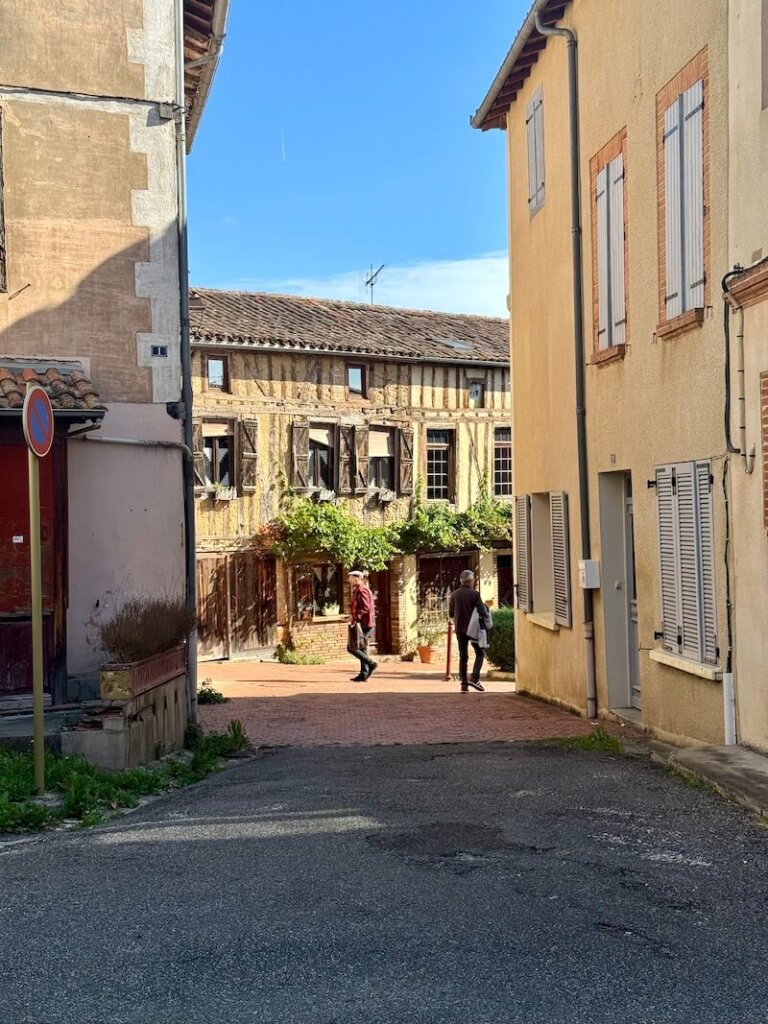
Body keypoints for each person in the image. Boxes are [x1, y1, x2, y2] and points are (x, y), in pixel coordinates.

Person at [449, 569, 489, 692]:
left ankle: (464, 684)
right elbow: (482, 611)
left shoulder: (454, 595)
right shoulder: (475, 594)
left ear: (462, 581)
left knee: (463, 655)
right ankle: (474, 678)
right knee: (480, 653)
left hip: (460, 629)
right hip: (473, 628)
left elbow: (451, 613)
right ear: (471, 581)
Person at [348, 570, 378, 682]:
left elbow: (366, 608)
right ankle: (364, 674)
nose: (349, 580)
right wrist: (351, 616)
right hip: (363, 623)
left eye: (350, 578)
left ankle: (371, 664)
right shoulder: (358, 589)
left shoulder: (362, 590)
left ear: (357, 578)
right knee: (362, 648)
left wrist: (355, 617)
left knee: (352, 647)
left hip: (366, 624)